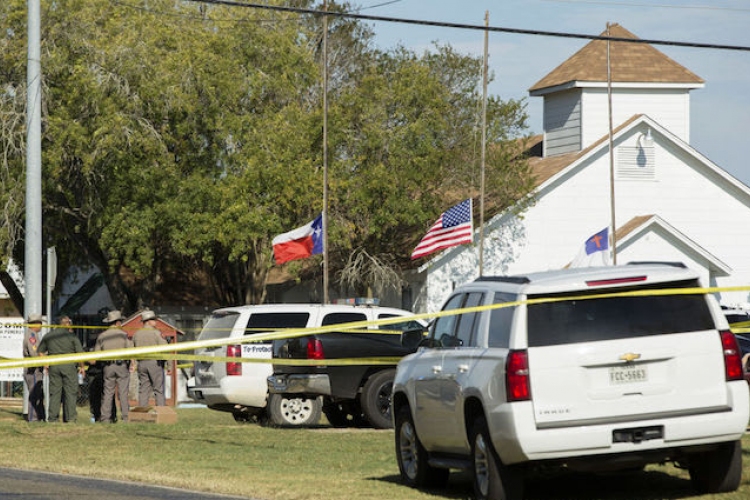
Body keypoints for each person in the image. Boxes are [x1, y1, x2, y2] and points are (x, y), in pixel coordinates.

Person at [37, 316, 85, 422]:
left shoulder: (49, 336)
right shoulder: (72, 336)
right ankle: (70, 418)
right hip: (69, 366)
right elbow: (80, 354)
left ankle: (52, 418)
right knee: (70, 393)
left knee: (54, 393)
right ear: (67, 323)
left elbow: (40, 351)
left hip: (54, 366)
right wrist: (82, 367)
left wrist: (46, 363)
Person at [94, 310, 134, 423]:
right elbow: (130, 351)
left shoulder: (102, 336)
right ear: (117, 323)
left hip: (108, 366)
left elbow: (96, 354)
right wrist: (132, 363)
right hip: (121, 366)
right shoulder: (123, 335)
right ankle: (126, 417)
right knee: (123, 393)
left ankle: (105, 418)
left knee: (108, 393)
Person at [132, 310, 167, 406]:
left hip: (141, 364)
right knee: (158, 389)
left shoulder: (136, 334)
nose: (156, 321)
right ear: (148, 321)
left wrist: (133, 363)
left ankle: (142, 412)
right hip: (154, 363)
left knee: (143, 389)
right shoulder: (156, 333)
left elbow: (132, 349)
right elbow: (165, 348)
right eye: (154, 319)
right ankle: (161, 412)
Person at [22, 314, 45, 422]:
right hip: (33, 369)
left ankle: (39, 417)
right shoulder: (32, 336)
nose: (41, 326)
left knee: (38, 394)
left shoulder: (33, 334)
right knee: (34, 394)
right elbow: (34, 353)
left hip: (34, 368)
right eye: (40, 323)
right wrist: (44, 361)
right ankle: (33, 418)